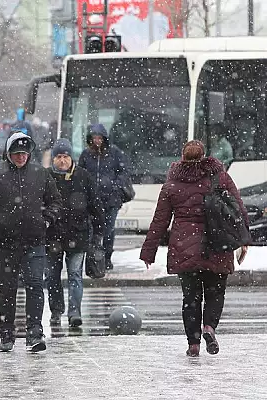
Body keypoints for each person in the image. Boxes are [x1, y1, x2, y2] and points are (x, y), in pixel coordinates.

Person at [140, 140, 248, 357]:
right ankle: (209, 328)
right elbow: (238, 208)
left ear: (182, 157)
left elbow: (160, 221)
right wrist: (243, 240)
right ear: (205, 156)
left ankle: (193, 344)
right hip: (217, 243)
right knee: (215, 293)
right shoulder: (219, 177)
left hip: (184, 247)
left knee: (191, 298)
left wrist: (148, 251)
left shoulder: (171, 184)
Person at [0, 130, 61, 353]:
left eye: (24, 153)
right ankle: (7, 333)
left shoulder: (41, 174)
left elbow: (56, 201)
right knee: (7, 289)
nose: (21, 157)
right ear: (9, 153)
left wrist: (46, 220)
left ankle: (34, 332)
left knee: (35, 286)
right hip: (5, 243)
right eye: (16, 153)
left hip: (34, 241)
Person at [44, 139, 104, 327]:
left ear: (71, 158)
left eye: (66, 156)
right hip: (52, 236)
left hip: (77, 235)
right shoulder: (46, 177)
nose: (62, 161)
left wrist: (98, 233)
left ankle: (74, 311)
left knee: (75, 274)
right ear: (53, 159)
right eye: (59, 157)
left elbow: (95, 205)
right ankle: (56, 311)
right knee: (52, 276)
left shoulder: (83, 176)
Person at [78, 124, 130, 270]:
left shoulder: (114, 153)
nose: (97, 141)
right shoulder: (86, 154)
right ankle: (94, 257)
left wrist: (115, 186)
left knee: (108, 230)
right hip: (92, 199)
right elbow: (80, 173)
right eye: (94, 138)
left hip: (111, 199)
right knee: (92, 230)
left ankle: (107, 257)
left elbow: (123, 171)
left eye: (99, 138)